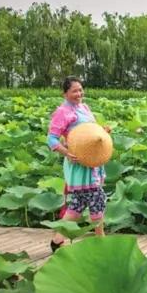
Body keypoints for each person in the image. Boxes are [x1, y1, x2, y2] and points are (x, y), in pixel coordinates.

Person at [47, 76, 110, 252]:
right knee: (97, 198)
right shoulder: (62, 112)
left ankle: (57, 240)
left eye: (80, 89)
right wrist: (67, 153)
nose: (79, 93)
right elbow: (51, 139)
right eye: (74, 91)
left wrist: (102, 132)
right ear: (65, 93)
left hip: (93, 160)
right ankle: (101, 240)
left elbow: (91, 132)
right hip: (78, 163)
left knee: (79, 203)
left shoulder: (85, 107)